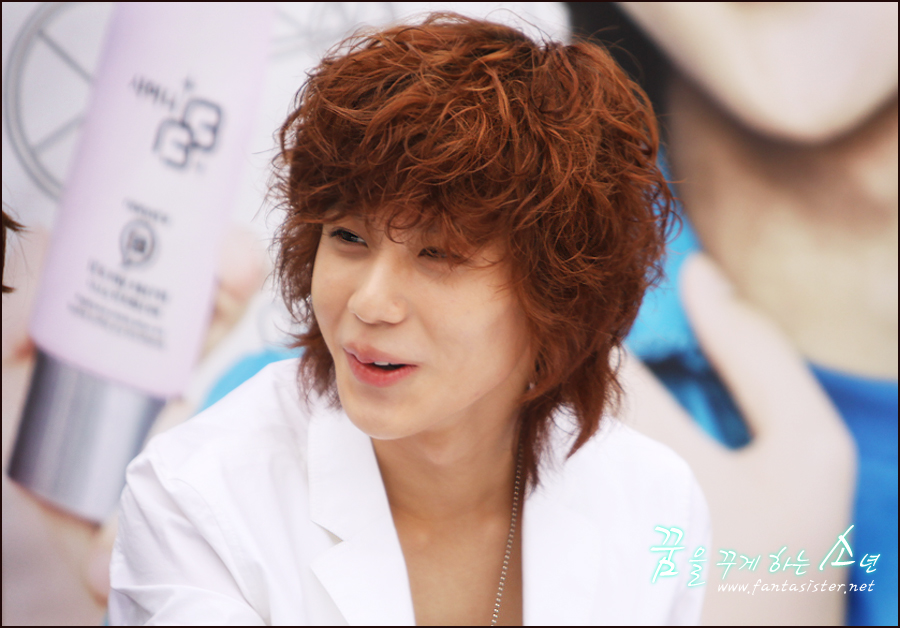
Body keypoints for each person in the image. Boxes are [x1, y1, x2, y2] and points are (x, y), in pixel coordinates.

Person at [108, 13, 710, 625]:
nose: (370, 303)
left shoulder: (657, 508)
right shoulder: (196, 499)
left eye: (438, 254)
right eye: (348, 236)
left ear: (558, 291)